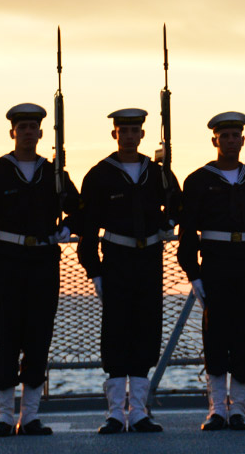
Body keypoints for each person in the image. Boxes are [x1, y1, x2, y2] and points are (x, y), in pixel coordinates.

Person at [0, 103, 78, 438]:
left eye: (34, 126)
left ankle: (29, 416)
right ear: (13, 132)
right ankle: (3, 416)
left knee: (38, 337)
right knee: (6, 337)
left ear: (42, 132)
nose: (29, 131)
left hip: (44, 261)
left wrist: (68, 227)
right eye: (23, 126)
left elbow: (80, 209)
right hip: (8, 260)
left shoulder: (54, 173)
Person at [77, 109, 178, 434]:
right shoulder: (100, 175)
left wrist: (169, 222)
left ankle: (138, 412)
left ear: (142, 135)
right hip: (117, 259)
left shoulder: (158, 173)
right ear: (115, 135)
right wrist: (95, 270)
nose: (130, 136)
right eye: (124, 130)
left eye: (135, 130)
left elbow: (177, 206)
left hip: (149, 258)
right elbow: (88, 226)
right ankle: (115, 414)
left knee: (146, 331)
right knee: (116, 333)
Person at [177, 111, 245, 431]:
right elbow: (188, 232)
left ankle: (240, 409)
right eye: (226, 136)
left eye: (236, 136)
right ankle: (218, 408)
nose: (231, 141)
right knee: (216, 336)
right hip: (216, 264)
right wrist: (193, 273)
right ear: (215, 141)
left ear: (244, 140)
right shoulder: (199, 180)